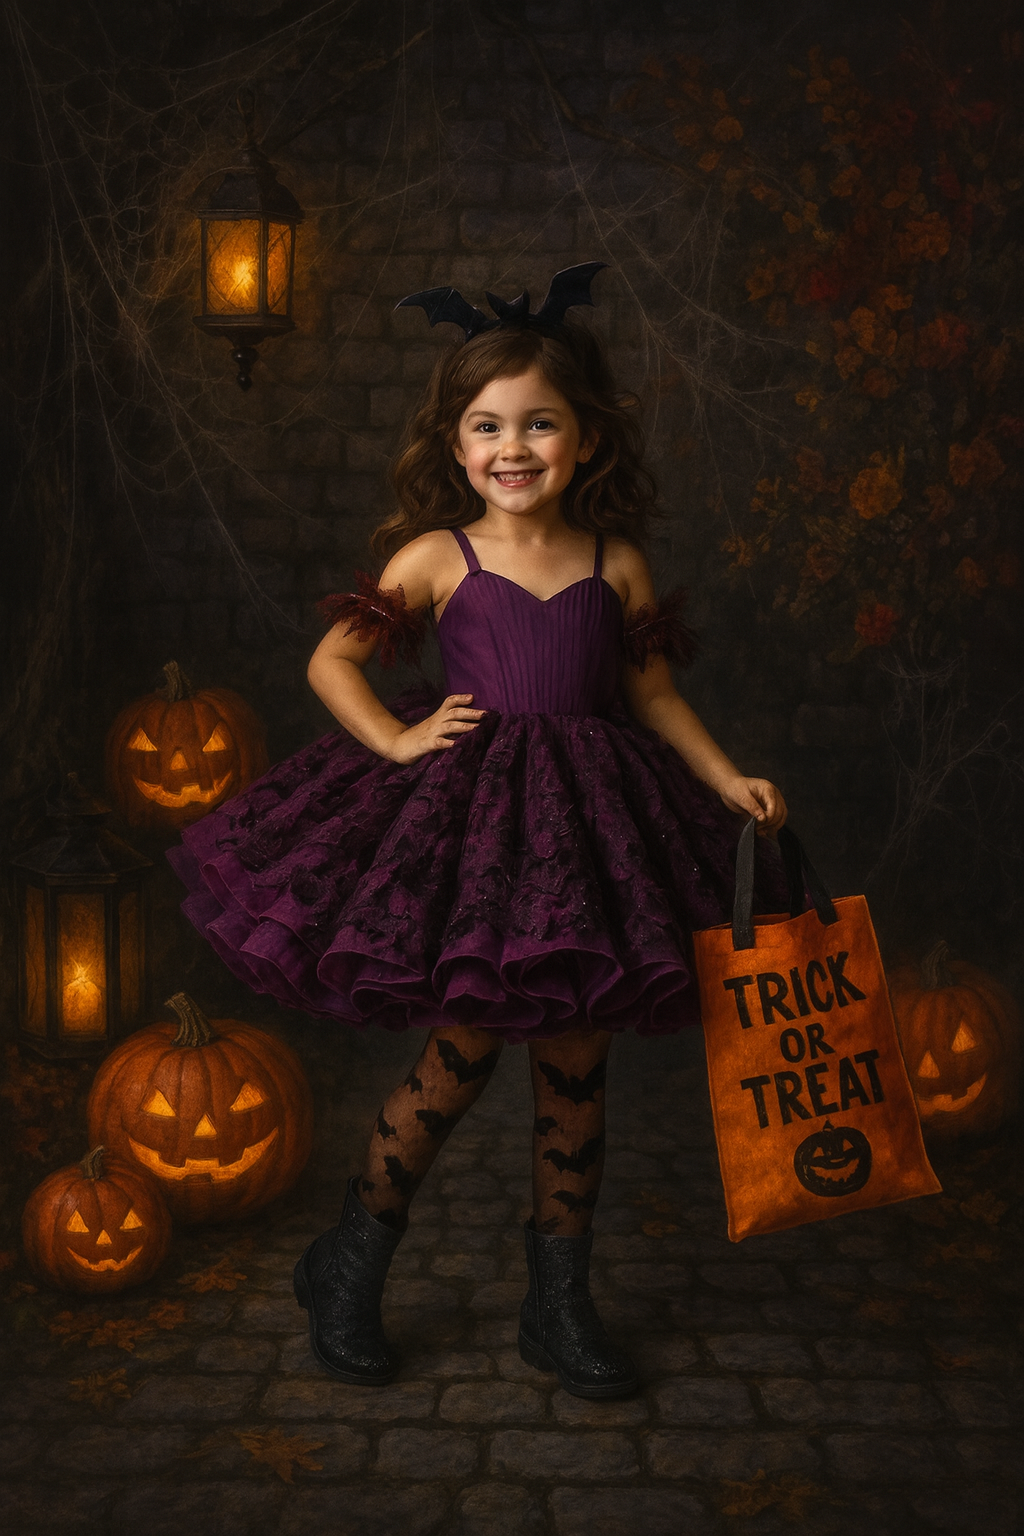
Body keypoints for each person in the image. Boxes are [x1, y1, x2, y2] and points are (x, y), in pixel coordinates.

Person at [169, 264, 787, 1402]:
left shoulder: (617, 565)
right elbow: (333, 662)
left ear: (586, 441)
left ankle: (557, 1303)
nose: (513, 446)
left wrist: (724, 775)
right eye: (488, 426)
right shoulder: (436, 557)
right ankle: (348, 1262)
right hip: (474, 835)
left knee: (576, 1069)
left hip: (588, 835)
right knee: (456, 1060)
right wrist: (398, 747)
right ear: (456, 446)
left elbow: (650, 698)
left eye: (539, 424)